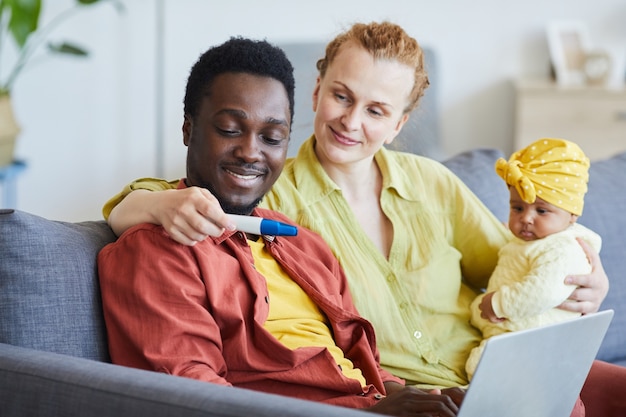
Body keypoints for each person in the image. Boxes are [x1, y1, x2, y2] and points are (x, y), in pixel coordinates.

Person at [102, 22, 623, 415]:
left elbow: (521, 260)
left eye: (376, 110)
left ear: (398, 123)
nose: (352, 122)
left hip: (480, 365)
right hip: (414, 390)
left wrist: (579, 278)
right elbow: (194, 200)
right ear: (317, 90)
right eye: (342, 97)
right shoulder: (270, 194)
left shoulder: (424, 186)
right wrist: (143, 203)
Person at [97, 37, 462, 416]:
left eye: (272, 138)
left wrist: (422, 400)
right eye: (229, 129)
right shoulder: (159, 248)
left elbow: (363, 365)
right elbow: (194, 397)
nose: (252, 152)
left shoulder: (302, 244)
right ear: (188, 130)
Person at [465, 138, 602, 380]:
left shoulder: (563, 248)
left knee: (481, 367)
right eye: (517, 208)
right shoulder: (530, 240)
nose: (526, 218)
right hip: (513, 328)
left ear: (572, 215)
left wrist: (498, 304)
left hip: (535, 335)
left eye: (541, 211)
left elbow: (543, 290)